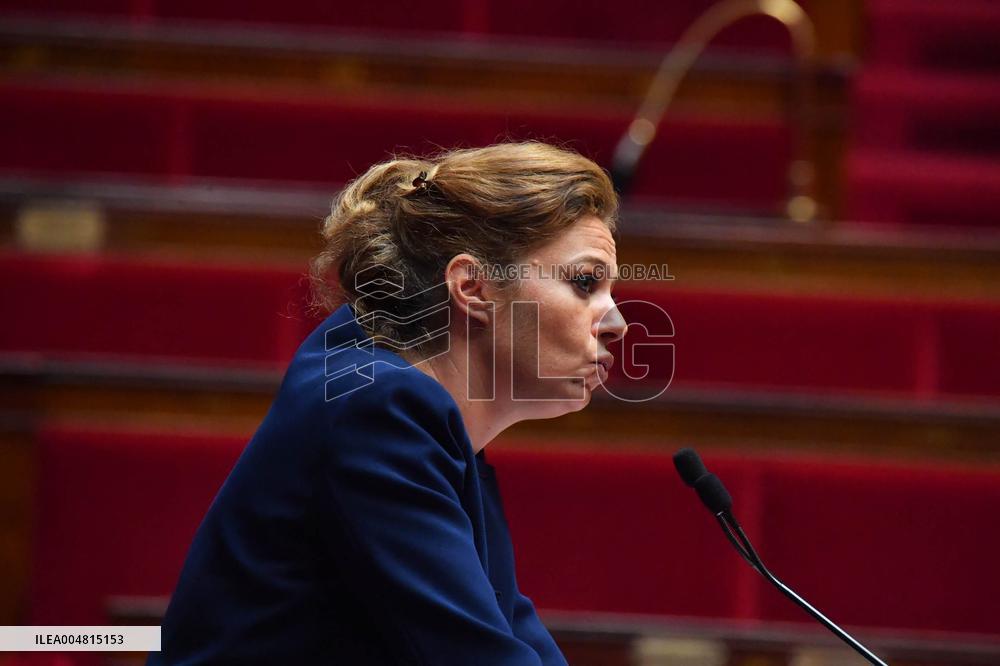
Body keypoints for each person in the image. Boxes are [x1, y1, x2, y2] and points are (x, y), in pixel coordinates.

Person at [150, 141, 628, 665]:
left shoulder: (398, 390)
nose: (617, 323)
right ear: (472, 288)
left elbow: (507, 629)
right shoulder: (380, 410)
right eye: (585, 283)